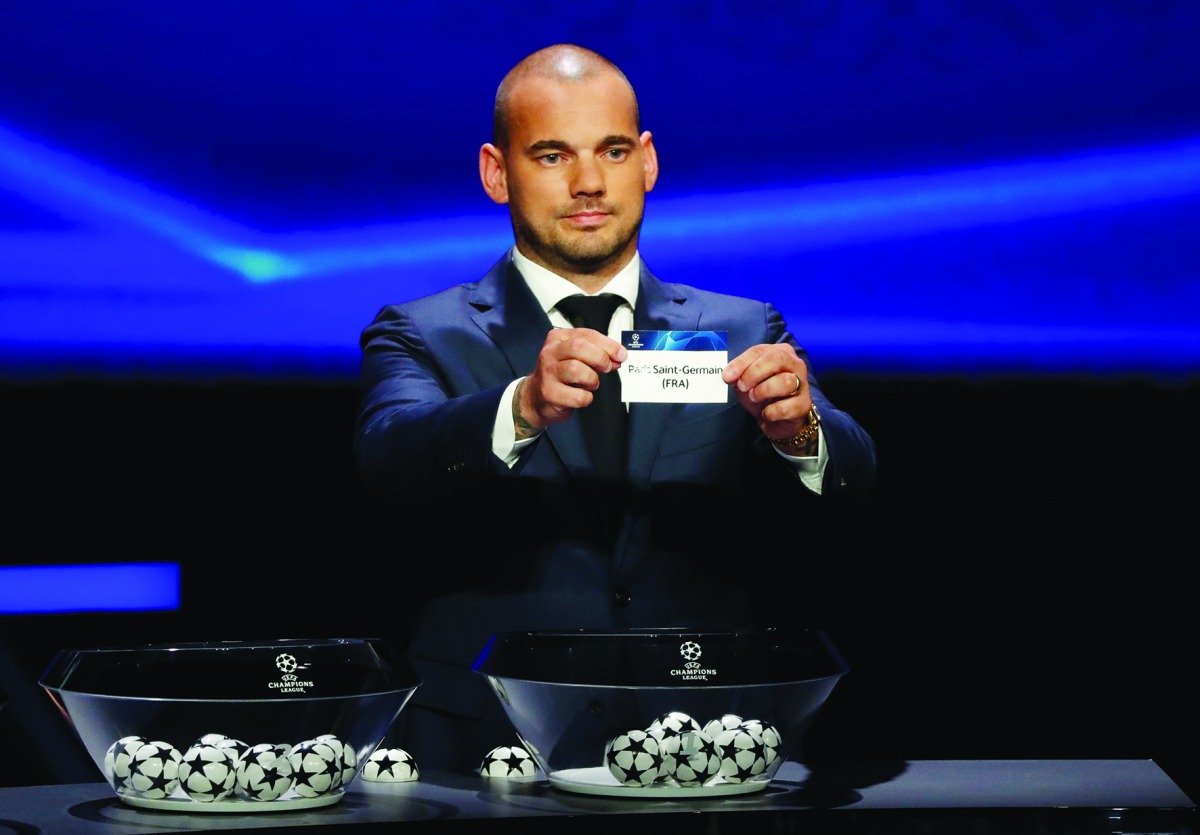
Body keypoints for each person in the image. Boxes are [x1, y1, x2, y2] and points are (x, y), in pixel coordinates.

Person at [354, 43, 877, 775]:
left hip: (703, 741)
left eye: (613, 150)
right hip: (489, 748)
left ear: (649, 161)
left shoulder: (745, 328)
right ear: (496, 172)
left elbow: (856, 471)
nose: (590, 182)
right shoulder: (423, 331)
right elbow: (389, 455)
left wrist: (801, 433)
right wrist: (522, 405)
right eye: (551, 155)